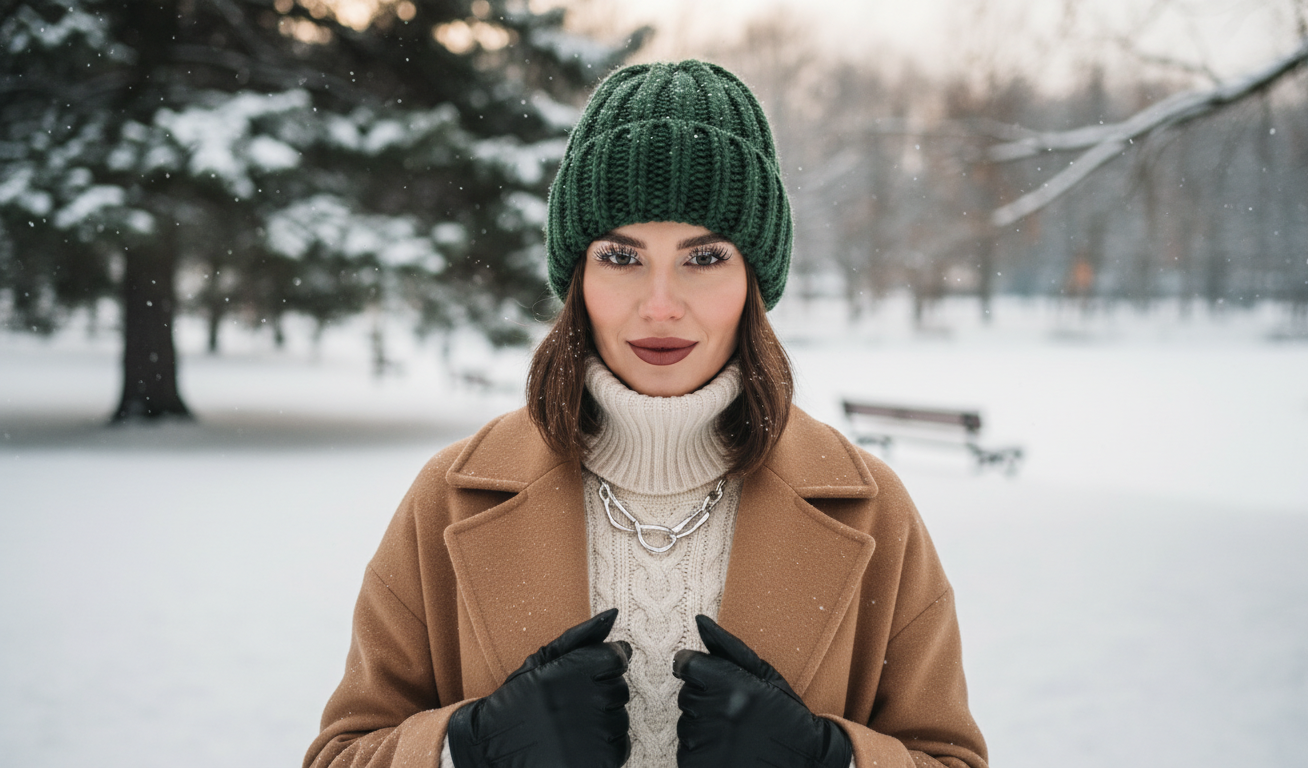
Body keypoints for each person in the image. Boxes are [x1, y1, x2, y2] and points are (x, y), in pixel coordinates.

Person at [304, 60, 988, 768]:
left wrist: (827, 760)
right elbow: (340, 752)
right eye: (622, 256)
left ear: (755, 280)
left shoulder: (871, 510)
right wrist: (467, 748)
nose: (660, 304)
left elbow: (951, 757)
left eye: (704, 257)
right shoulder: (448, 498)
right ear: (578, 278)